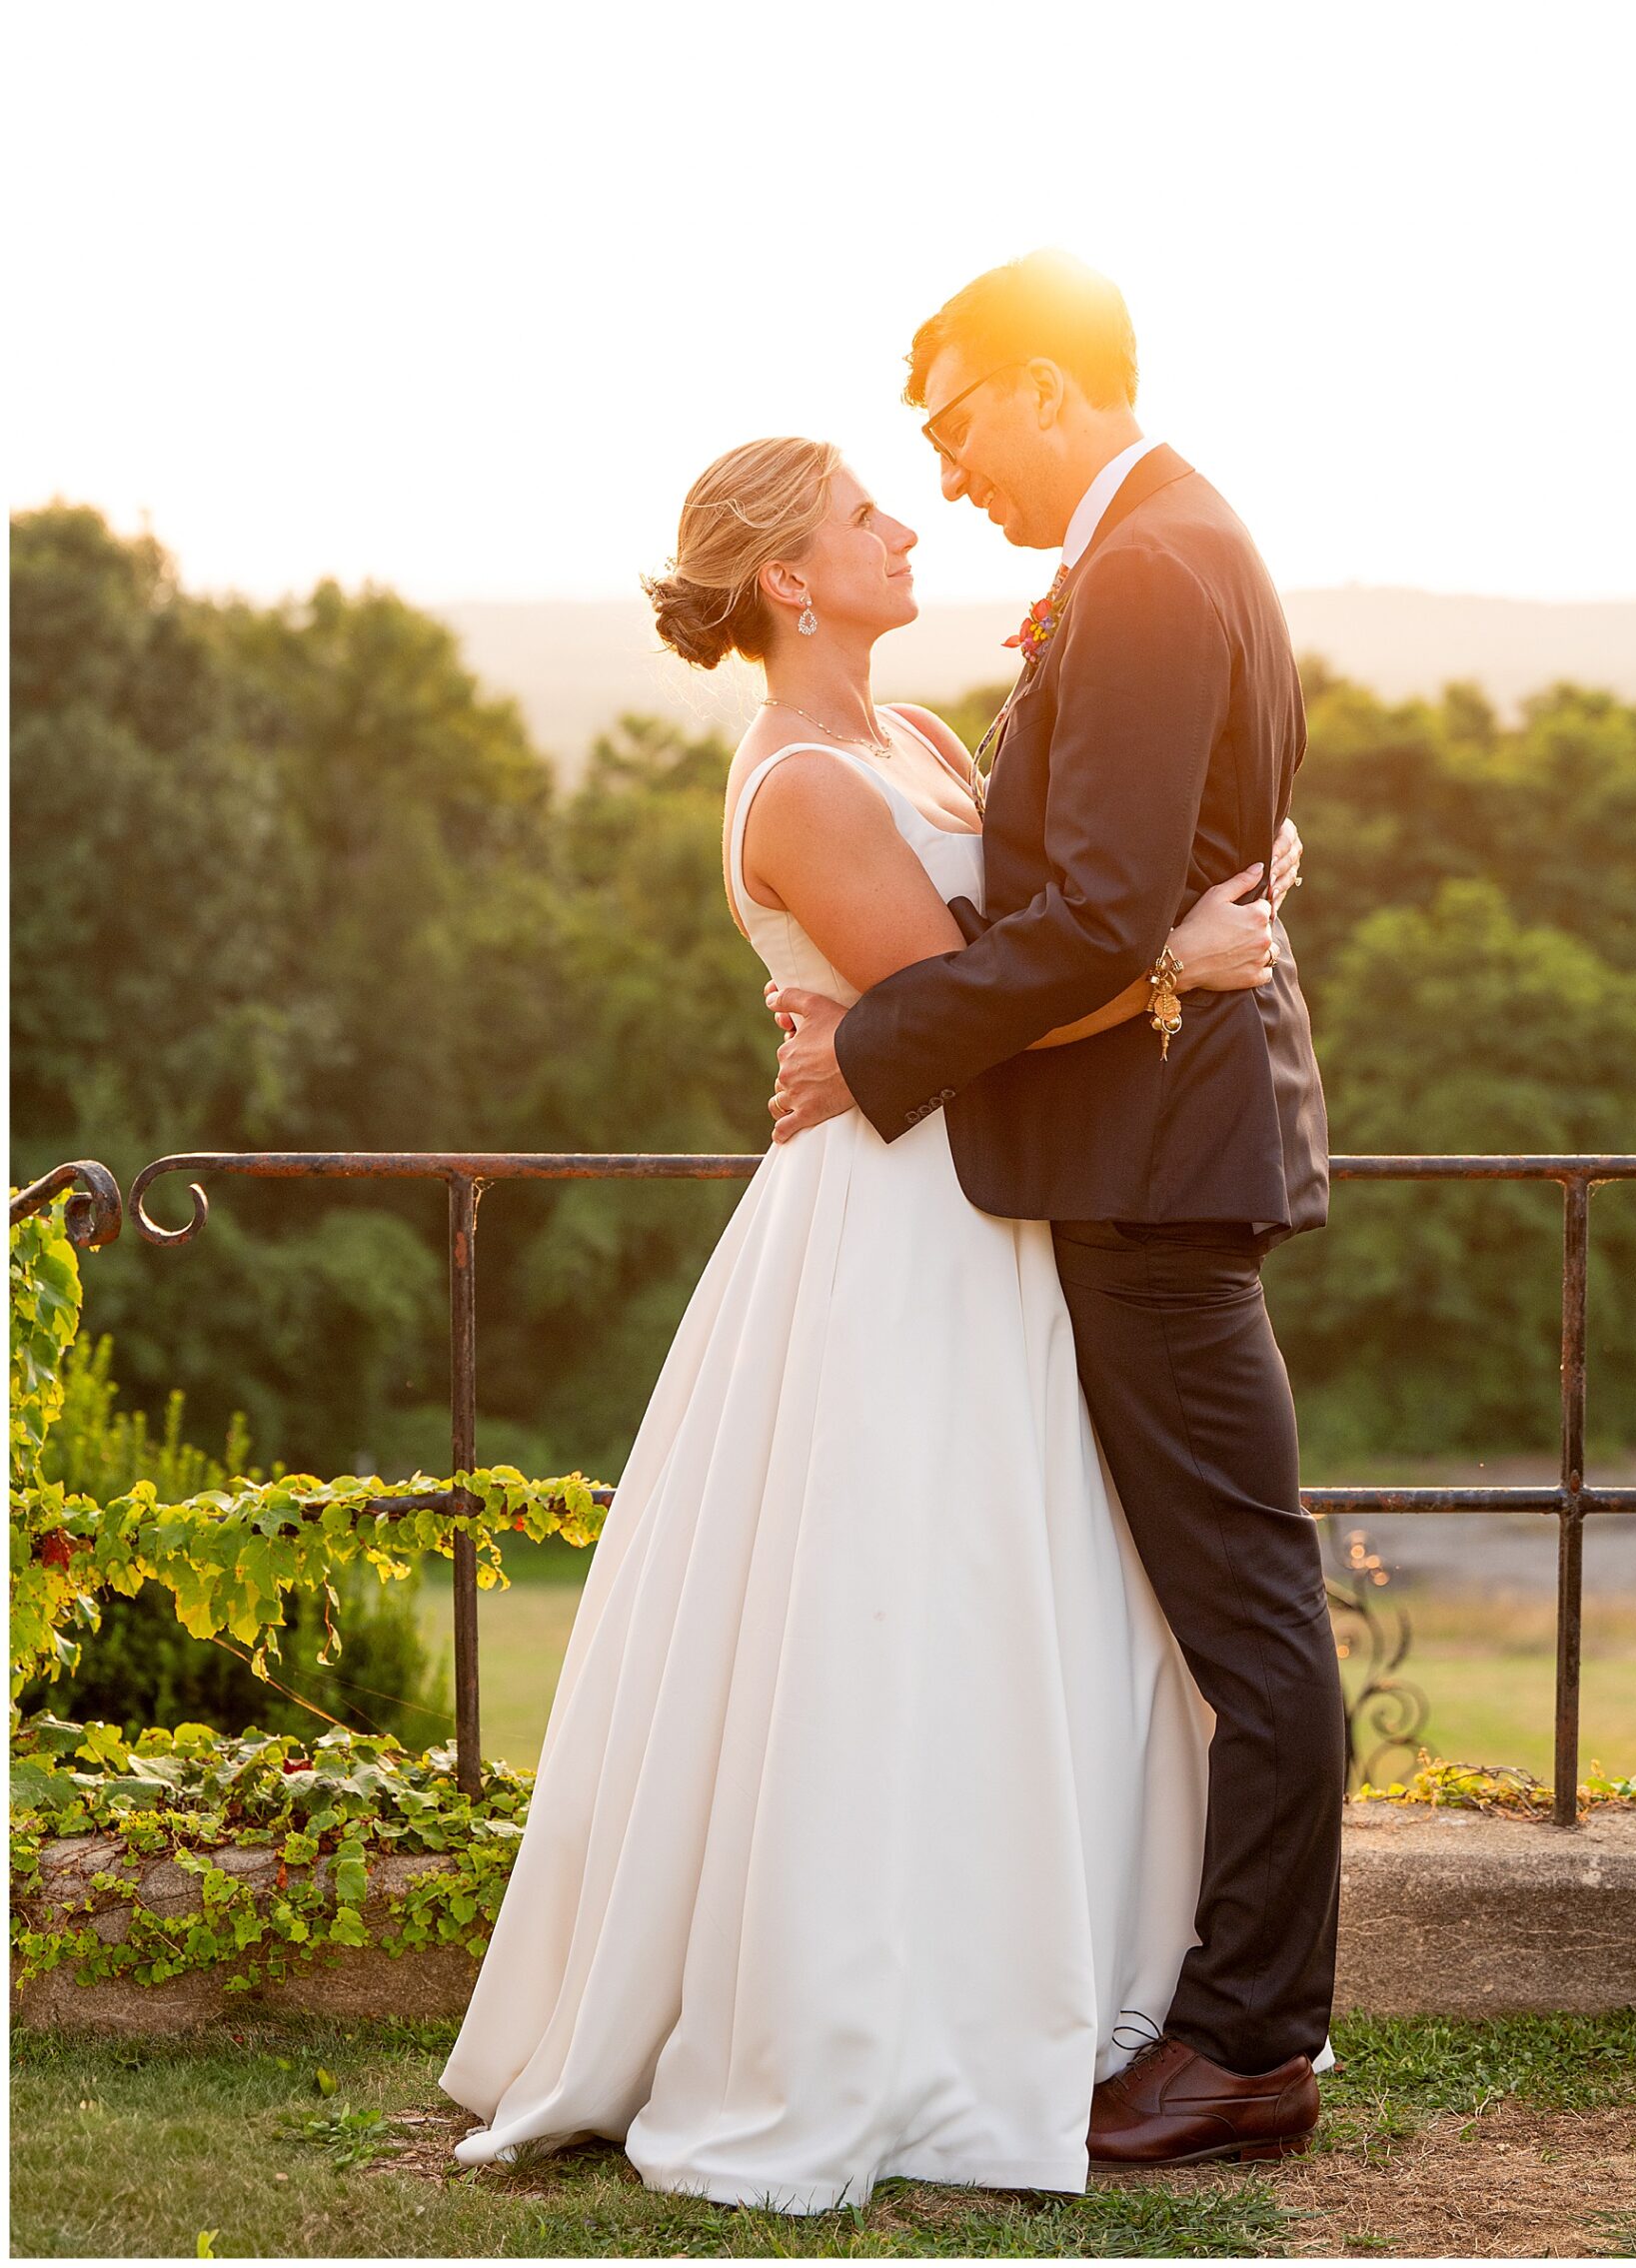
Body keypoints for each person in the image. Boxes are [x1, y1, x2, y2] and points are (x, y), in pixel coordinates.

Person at [440, 432, 1309, 2211]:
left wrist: (1207, 866)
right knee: (892, 1609)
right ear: (784, 577)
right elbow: (967, 1002)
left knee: (1023, 1599)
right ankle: (870, 2005)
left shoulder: (910, 737)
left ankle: (1039, 1977)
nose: (900, 530)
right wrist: (1172, 961)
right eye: (860, 516)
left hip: (990, 1196)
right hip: (897, 1223)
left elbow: (1040, 911)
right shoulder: (805, 785)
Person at [771, 251, 1342, 2170]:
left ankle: (1249, 2043)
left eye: (950, 423)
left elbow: (1100, 913)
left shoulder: (1152, 566)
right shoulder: (1166, 549)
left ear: (1035, 386)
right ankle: (1193, 2002)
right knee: (1203, 1602)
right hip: (1150, 1137)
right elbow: (1165, 871)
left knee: (1243, 1609)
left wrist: (869, 1045)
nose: (948, 472)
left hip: (1155, 1161)